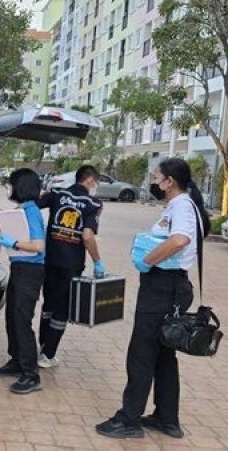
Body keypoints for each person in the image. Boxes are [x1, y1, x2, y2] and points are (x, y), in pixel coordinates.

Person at [96, 158, 209, 439]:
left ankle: (129, 419)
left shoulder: (181, 205)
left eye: (157, 177)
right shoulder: (182, 205)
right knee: (163, 355)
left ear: (170, 181)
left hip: (163, 287)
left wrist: (147, 260)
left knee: (142, 353)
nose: (153, 182)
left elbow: (180, 240)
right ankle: (166, 418)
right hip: (169, 285)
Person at [36, 165, 105, 368]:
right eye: (97, 183)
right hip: (71, 265)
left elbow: (32, 206)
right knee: (62, 309)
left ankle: (42, 345)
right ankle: (47, 355)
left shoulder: (57, 193)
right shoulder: (93, 203)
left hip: (49, 260)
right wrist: (97, 261)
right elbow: (87, 235)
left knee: (49, 303)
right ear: (90, 180)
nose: (96, 187)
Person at [0, 168, 46, 394]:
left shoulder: (31, 211)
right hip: (20, 267)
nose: (9, 188)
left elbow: (38, 245)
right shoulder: (22, 210)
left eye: (11, 184)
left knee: (22, 320)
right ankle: (16, 361)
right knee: (12, 317)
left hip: (30, 271)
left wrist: (13, 243)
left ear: (21, 186)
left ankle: (31, 374)